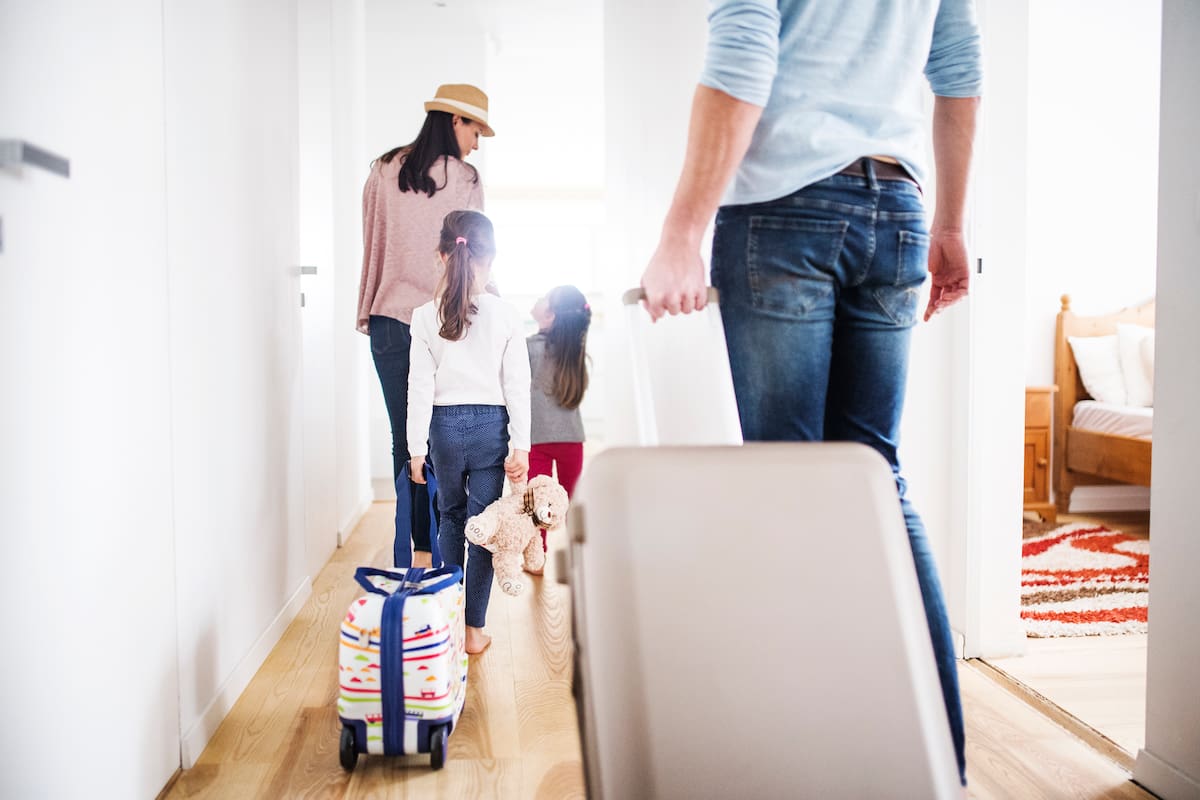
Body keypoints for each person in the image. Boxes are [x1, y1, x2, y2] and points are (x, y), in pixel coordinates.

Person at [639, 0, 982, 785]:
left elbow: (742, 58)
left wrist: (681, 236)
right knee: (876, 482)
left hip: (785, 211)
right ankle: (941, 771)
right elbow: (958, 66)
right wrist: (951, 224)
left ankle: (798, 763)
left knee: (785, 490)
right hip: (898, 208)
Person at [357, 83, 494, 568]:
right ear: (456, 121)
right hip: (444, 324)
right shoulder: (466, 178)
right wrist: (491, 306)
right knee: (445, 434)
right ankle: (445, 547)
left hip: (390, 320)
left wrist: (367, 306)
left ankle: (417, 550)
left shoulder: (383, 169)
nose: (477, 142)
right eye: (476, 129)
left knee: (406, 439)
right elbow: (474, 255)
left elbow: (372, 241)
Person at [407, 210, 531, 655]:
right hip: (490, 428)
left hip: (442, 428)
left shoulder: (423, 316)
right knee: (485, 527)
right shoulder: (506, 314)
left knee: (451, 519)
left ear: (442, 255)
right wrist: (522, 444)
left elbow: (418, 386)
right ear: (491, 257)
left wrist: (415, 450)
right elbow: (518, 383)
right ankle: (473, 631)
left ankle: (446, 623)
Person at [525, 286, 592, 563]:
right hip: (572, 440)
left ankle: (537, 558)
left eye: (544, 297)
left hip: (537, 439)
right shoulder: (575, 350)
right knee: (572, 503)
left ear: (550, 315)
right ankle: (582, 556)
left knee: (537, 502)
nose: (538, 298)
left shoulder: (529, 348)